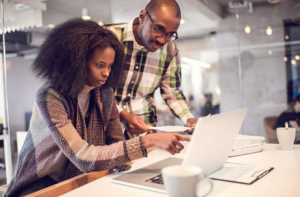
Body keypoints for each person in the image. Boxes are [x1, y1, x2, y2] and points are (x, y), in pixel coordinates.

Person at [5, 18, 190, 197]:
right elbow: (83, 157)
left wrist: (123, 157)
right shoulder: (49, 97)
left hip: (78, 183)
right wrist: (148, 142)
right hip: (40, 187)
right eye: (99, 65)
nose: (107, 73)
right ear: (76, 62)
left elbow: (116, 143)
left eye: (110, 66)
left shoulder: (105, 94)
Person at [106, 0, 198, 137]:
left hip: (145, 135)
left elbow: (172, 92)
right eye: (159, 29)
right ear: (143, 16)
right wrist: (122, 115)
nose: (163, 40)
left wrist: (189, 119)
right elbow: (94, 90)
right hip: (106, 132)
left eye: (170, 34)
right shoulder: (108, 37)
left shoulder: (170, 51)